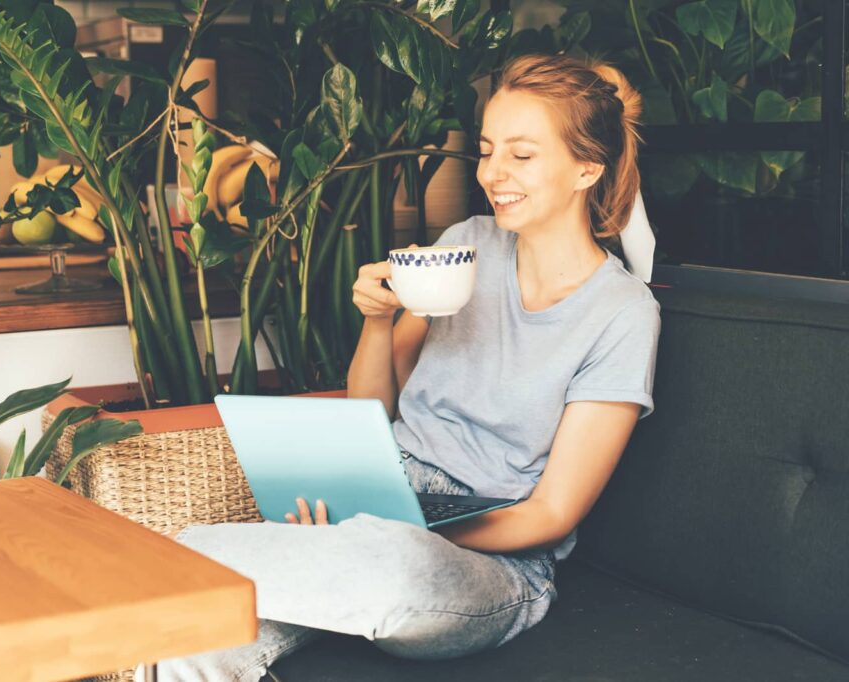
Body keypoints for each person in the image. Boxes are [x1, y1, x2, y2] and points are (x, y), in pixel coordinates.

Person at [157, 53, 662, 681]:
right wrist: (376, 319)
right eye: (486, 149)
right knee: (200, 632)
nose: (493, 173)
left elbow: (552, 514)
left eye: (521, 155)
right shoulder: (466, 244)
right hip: (387, 498)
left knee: (396, 566)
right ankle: (199, 568)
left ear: (588, 167)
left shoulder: (622, 313)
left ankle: (180, 558)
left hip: (489, 557)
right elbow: (373, 412)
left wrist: (402, 529)